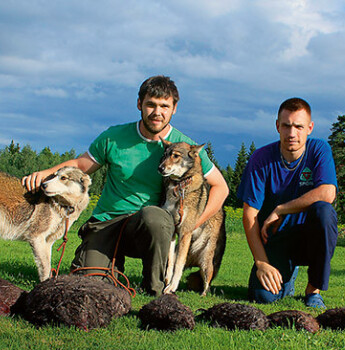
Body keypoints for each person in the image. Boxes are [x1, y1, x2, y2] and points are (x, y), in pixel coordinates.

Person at [22, 75, 229, 295]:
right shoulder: (113, 137)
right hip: (107, 222)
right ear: (139, 104)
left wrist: (194, 224)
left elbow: (221, 187)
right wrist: (46, 173)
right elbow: (80, 165)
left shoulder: (184, 147)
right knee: (90, 286)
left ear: (174, 108)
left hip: (147, 227)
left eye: (164, 106)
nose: (157, 112)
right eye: (150, 104)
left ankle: (156, 288)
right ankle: (107, 267)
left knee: (156, 218)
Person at [236, 97, 338, 307]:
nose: (292, 133)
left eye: (299, 127)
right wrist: (261, 263)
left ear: (310, 128)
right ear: (277, 126)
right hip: (276, 238)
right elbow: (249, 215)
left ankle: (313, 290)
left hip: (309, 237)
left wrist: (281, 209)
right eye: (286, 126)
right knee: (263, 297)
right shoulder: (261, 158)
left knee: (324, 211)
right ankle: (286, 275)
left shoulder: (319, 149)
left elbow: (328, 192)